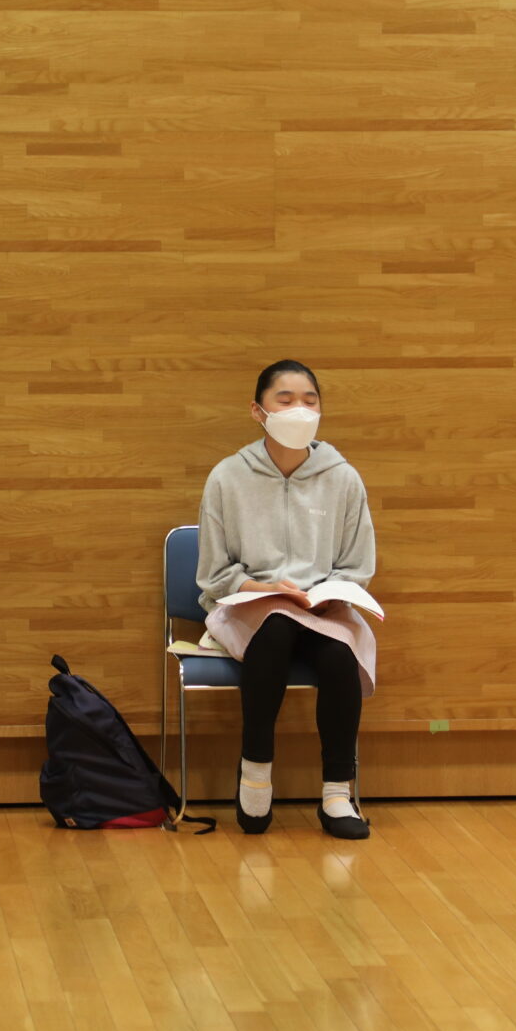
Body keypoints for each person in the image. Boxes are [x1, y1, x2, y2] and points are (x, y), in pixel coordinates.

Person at [196, 360, 378, 840]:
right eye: (286, 399)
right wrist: (266, 590)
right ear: (258, 411)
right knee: (275, 630)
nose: (300, 408)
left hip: (321, 609)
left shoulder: (343, 478)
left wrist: (327, 593)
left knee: (339, 655)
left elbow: (357, 565)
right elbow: (214, 574)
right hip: (252, 604)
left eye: (310, 400)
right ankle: (255, 775)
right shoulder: (227, 477)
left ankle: (337, 794)